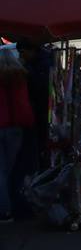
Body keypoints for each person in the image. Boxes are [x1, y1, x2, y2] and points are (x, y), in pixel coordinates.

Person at [0, 47, 34, 222]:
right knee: (11, 169)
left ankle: (4, 210)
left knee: (2, 170)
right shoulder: (19, 79)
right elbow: (22, 104)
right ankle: (12, 205)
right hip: (16, 128)